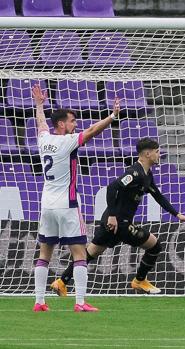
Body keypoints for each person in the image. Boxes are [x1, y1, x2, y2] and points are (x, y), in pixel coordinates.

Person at [51, 138, 185, 296]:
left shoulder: (147, 174)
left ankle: (61, 282)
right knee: (155, 246)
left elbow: (158, 196)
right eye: (157, 152)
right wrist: (113, 216)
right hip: (119, 222)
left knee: (91, 252)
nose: (159, 155)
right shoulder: (134, 173)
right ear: (147, 153)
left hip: (112, 221)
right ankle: (139, 280)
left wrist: (177, 214)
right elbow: (112, 188)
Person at [33, 84, 119, 312]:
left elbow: (41, 124)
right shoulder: (67, 141)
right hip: (67, 205)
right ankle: (80, 303)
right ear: (61, 124)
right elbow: (92, 131)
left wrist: (39, 105)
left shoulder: (44, 140)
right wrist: (111, 116)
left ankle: (39, 302)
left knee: (44, 254)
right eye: (72, 121)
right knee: (80, 253)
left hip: (47, 205)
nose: (75, 125)